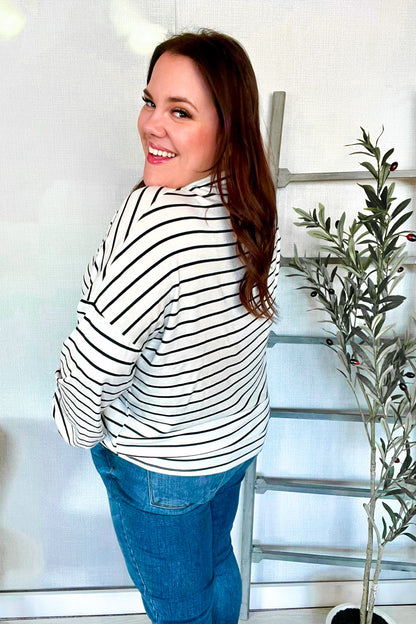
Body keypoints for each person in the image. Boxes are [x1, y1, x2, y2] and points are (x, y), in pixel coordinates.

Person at [53, 29, 280, 624]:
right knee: (217, 565)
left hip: (161, 466)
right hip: (233, 444)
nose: (152, 124)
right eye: (150, 101)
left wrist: (86, 434)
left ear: (227, 127)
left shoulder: (152, 221)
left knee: (181, 609)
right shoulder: (254, 204)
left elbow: (93, 365)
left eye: (180, 112)